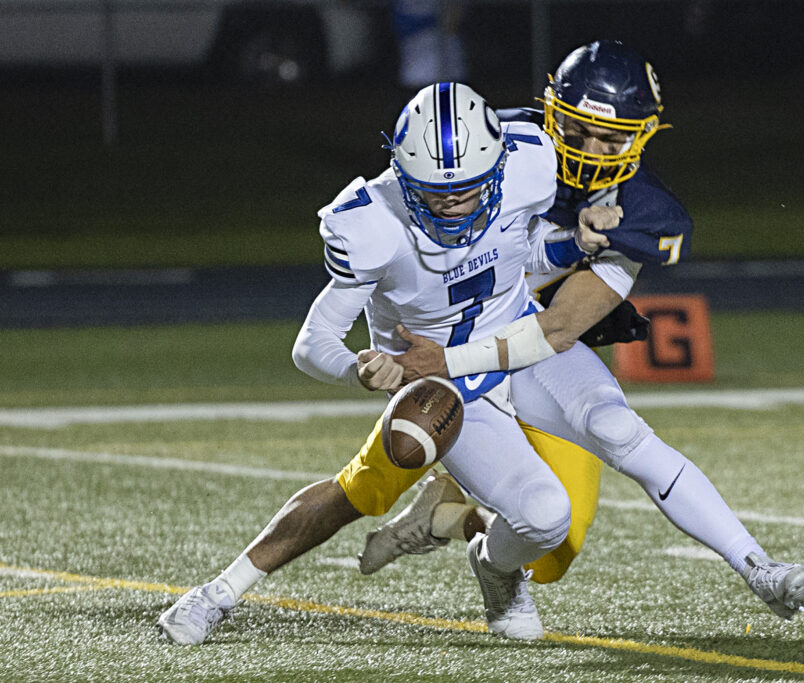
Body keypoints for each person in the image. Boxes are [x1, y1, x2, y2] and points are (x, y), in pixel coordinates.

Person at [364, 40, 804, 622]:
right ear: (552, 113)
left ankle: (758, 567)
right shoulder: (497, 148)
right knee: (358, 488)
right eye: (577, 131)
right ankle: (229, 587)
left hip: (521, 346)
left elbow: (555, 329)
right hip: (437, 344)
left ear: (643, 136)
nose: (590, 151)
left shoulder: (640, 212)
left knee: (567, 517)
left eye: (611, 139)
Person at [158, 81, 607, 645]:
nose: (450, 203)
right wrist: (358, 368)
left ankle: (489, 559)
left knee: (566, 530)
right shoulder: (372, 223)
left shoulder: (530, 165)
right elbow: (313, 340)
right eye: (433, 190)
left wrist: (575, 244)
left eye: (468, 189)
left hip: (524, 355)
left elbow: (522, 248)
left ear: (497, 170)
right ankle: (217, 593)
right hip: (443, 389)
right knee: (518, 510)